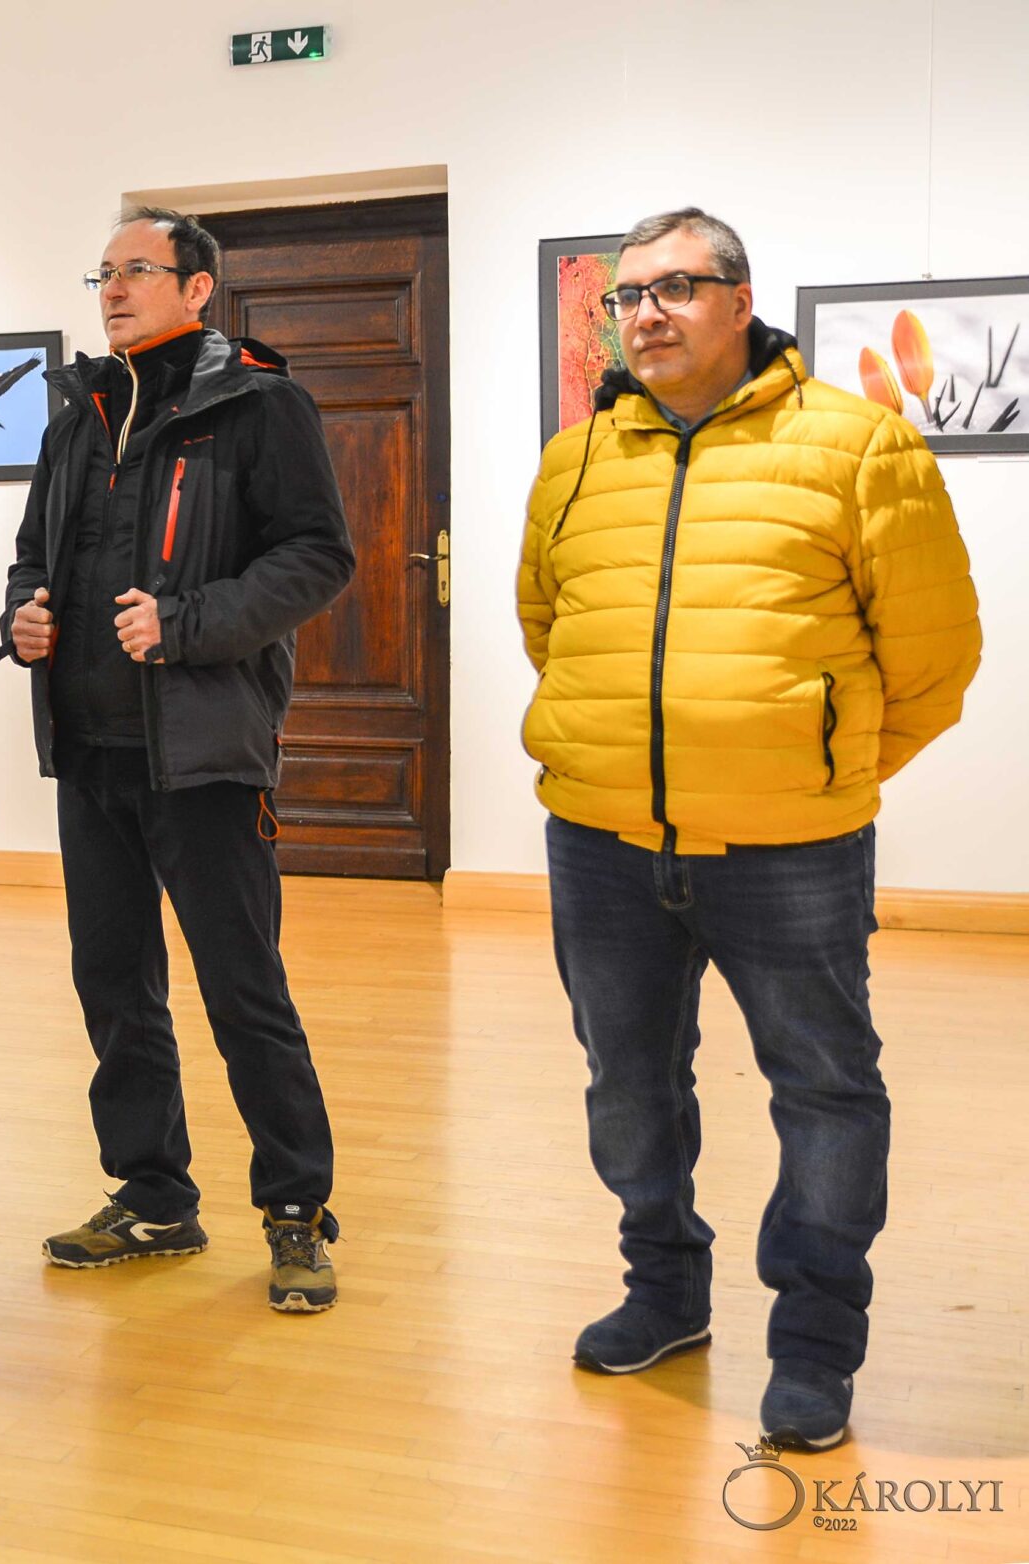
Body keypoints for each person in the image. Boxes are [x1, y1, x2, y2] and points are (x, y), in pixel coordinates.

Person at [517, 208, 980, 1451]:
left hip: (790, 850)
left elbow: (935, 658)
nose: (647, 313)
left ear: (739, 299)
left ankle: (815, 1342)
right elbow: (546, 622)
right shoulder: (575, 460)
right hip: (603, 840)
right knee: (626, 1083)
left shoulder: (858, 443)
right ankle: (662, 1290)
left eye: (675, 287)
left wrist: (815, 770)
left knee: (823, 1087)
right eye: (627, 296)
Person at [0, 205, 354, 1310]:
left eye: (136, 271)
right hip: (90, 751)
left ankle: (294, 1211)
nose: (111, 290)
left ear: (197, 288)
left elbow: (318, 555)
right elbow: (30, 555)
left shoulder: (257, 404)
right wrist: (24, 616)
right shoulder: (78, 412)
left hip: (202, 756)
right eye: (102, 273)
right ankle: (154, 1195)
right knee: (113, 985)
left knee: (243, 990)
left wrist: (188, 623)